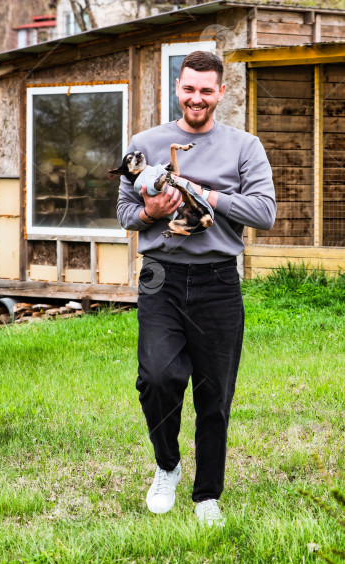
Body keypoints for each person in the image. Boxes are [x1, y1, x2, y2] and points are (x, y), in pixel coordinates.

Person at [117, 51, 276, 525]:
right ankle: (167, 464)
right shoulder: (146, 143)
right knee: (158, 377)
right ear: (177, 88)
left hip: (218, 279)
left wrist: (203, 194)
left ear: (220, 93)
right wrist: (153, 212)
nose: (197, 98)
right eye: (189, 88)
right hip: (160, 275)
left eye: (207, 90)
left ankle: (207, 495)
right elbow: (126, 213)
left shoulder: (245, 146)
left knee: (215, 392)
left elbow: (264, 213)